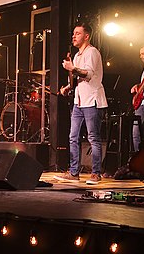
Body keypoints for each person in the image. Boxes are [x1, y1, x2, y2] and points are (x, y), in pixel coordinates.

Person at [54, 22, 108, 185]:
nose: (73, 36)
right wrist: (68, 87)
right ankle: (74, 172)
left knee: (93, 137)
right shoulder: (77, 56)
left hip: (92, 100)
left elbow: (89, 74)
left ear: (86, 36)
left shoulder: (92, 52)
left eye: (77, 33)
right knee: (73, 136)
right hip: (79, 101)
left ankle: (96, 173)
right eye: (73, 33)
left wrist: (72, 68)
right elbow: (79, 78)